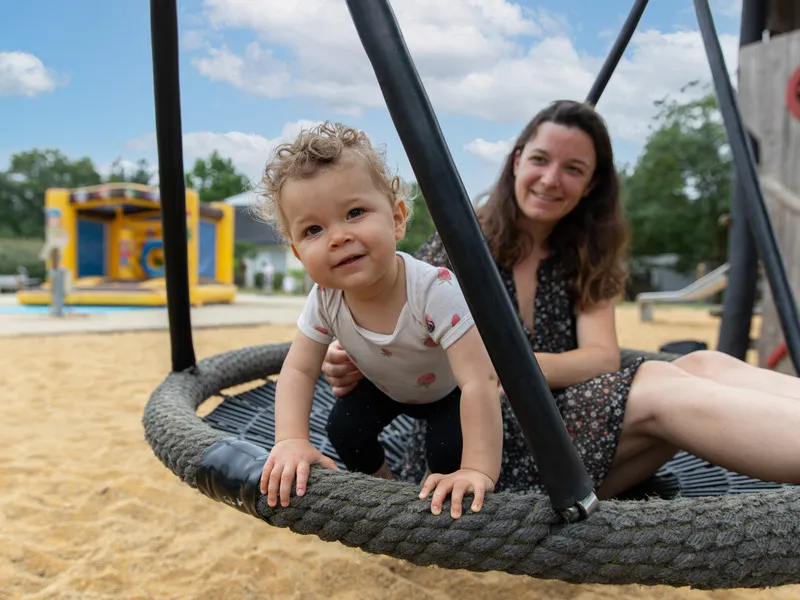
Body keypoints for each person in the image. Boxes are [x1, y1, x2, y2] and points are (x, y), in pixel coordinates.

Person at [323, 99, 800, 499]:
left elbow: (601, 356)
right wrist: (356, 353)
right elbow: (393, 318)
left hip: (566, 424)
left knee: (705, 365)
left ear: (591, 184)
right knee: (659, 387)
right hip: (473, 447)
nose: (552, 179)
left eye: (573, 169)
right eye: (540, 160)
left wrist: (507, 368)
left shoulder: (587, 252)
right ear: (516, 161)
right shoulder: (463, 241)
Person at [255, 122, 503, 518]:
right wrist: (290, 440)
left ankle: (436, 512)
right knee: (344, 429)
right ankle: (385, 493)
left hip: (449, 393)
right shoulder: (325, 298)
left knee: (448, 452)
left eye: (355, 213)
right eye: (314, 229)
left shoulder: (433, 289)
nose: (337, 237)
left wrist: (478, 468)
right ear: (300, 254)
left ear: (397, 218)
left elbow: (480, 380)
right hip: (388, 389)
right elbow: (299, 370)